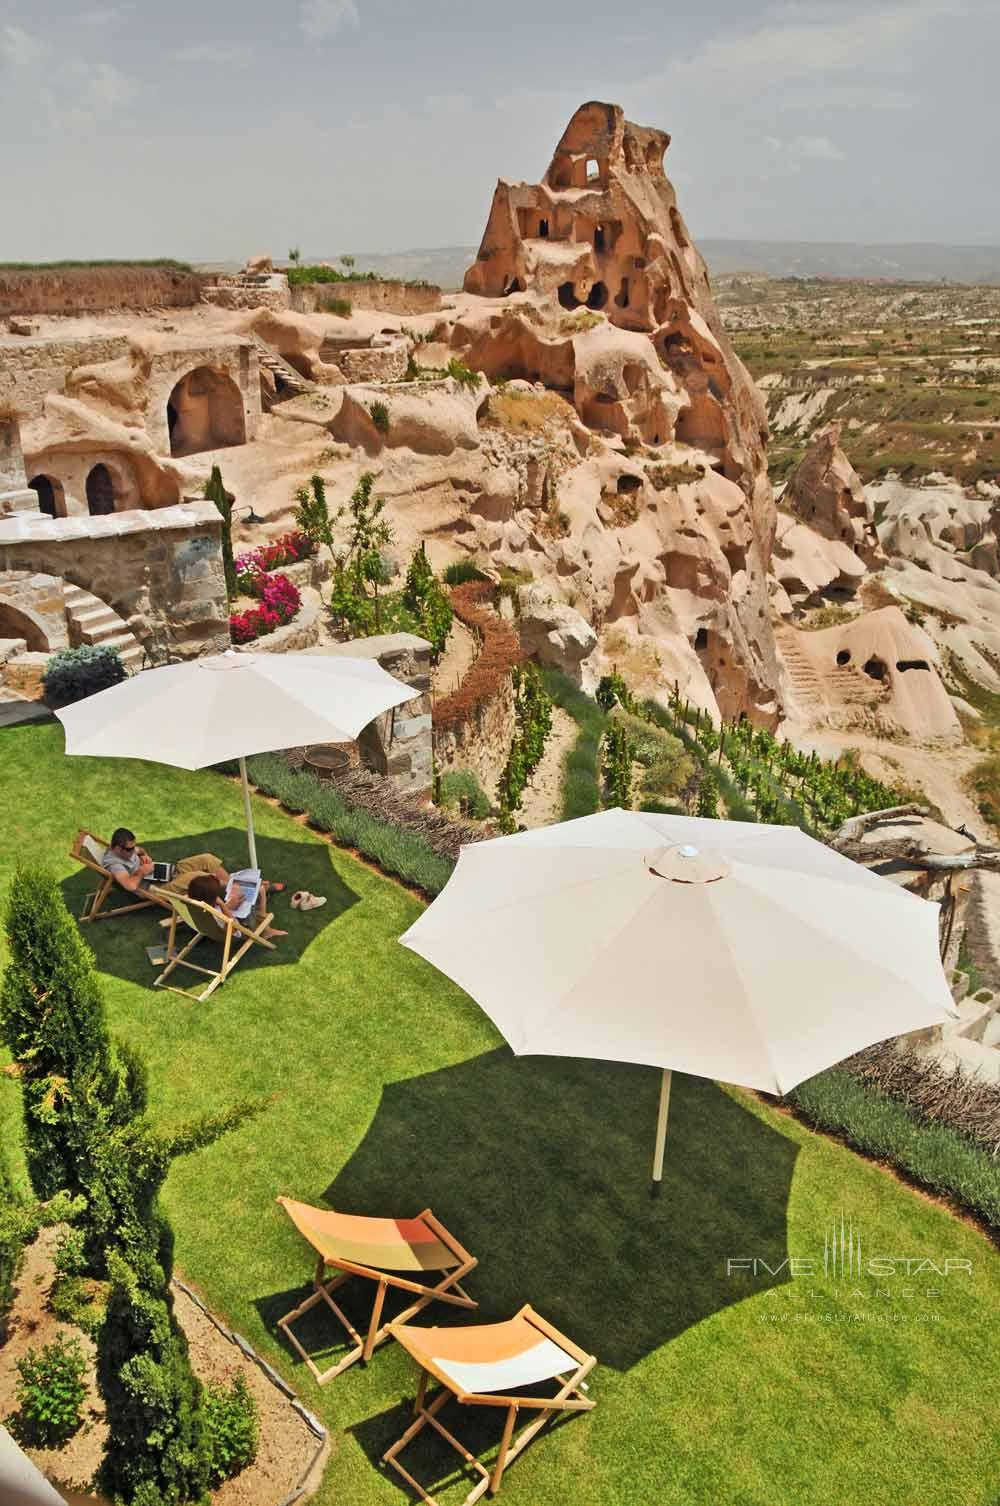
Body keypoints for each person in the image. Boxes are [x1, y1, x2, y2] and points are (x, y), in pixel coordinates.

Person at [102, 828, 230, 897]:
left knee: (206, 859)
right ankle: (233, 889)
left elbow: (140, 850)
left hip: (158, 875)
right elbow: (130, 886)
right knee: (197, 876)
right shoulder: (114, 864)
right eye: (130, 849)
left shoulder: (125, 849)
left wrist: (144, 856)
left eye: (133, 846)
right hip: (155, 889)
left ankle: (231, 886)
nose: (133, 850)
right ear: (118, 848)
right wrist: (142, 871)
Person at [187, 872, 287, 940]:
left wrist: (227, 905)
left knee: (245, 890)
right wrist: (224, 906)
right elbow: (234, 928)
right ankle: (267, 930)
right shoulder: (217, 913)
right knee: (259, 892)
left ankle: (264, 888)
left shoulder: (193, 902)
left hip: (215, 921)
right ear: (213, 897)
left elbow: (204, 892)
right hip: (242, 926)